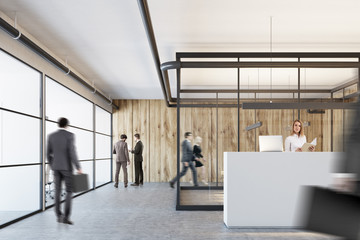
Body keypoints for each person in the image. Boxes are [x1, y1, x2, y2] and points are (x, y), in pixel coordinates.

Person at [47, 117, 82, 225]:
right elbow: (72, 152)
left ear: (58, 124)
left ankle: (58, 216)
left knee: (57, 191)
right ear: (67, 125)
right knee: (69, 191)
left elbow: (48, 153)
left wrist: (53, 165)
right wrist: (78, 166)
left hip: (56, 168)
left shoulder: (51, 136)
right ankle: (66, 217)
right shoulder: (70, 136)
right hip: (67, 168)